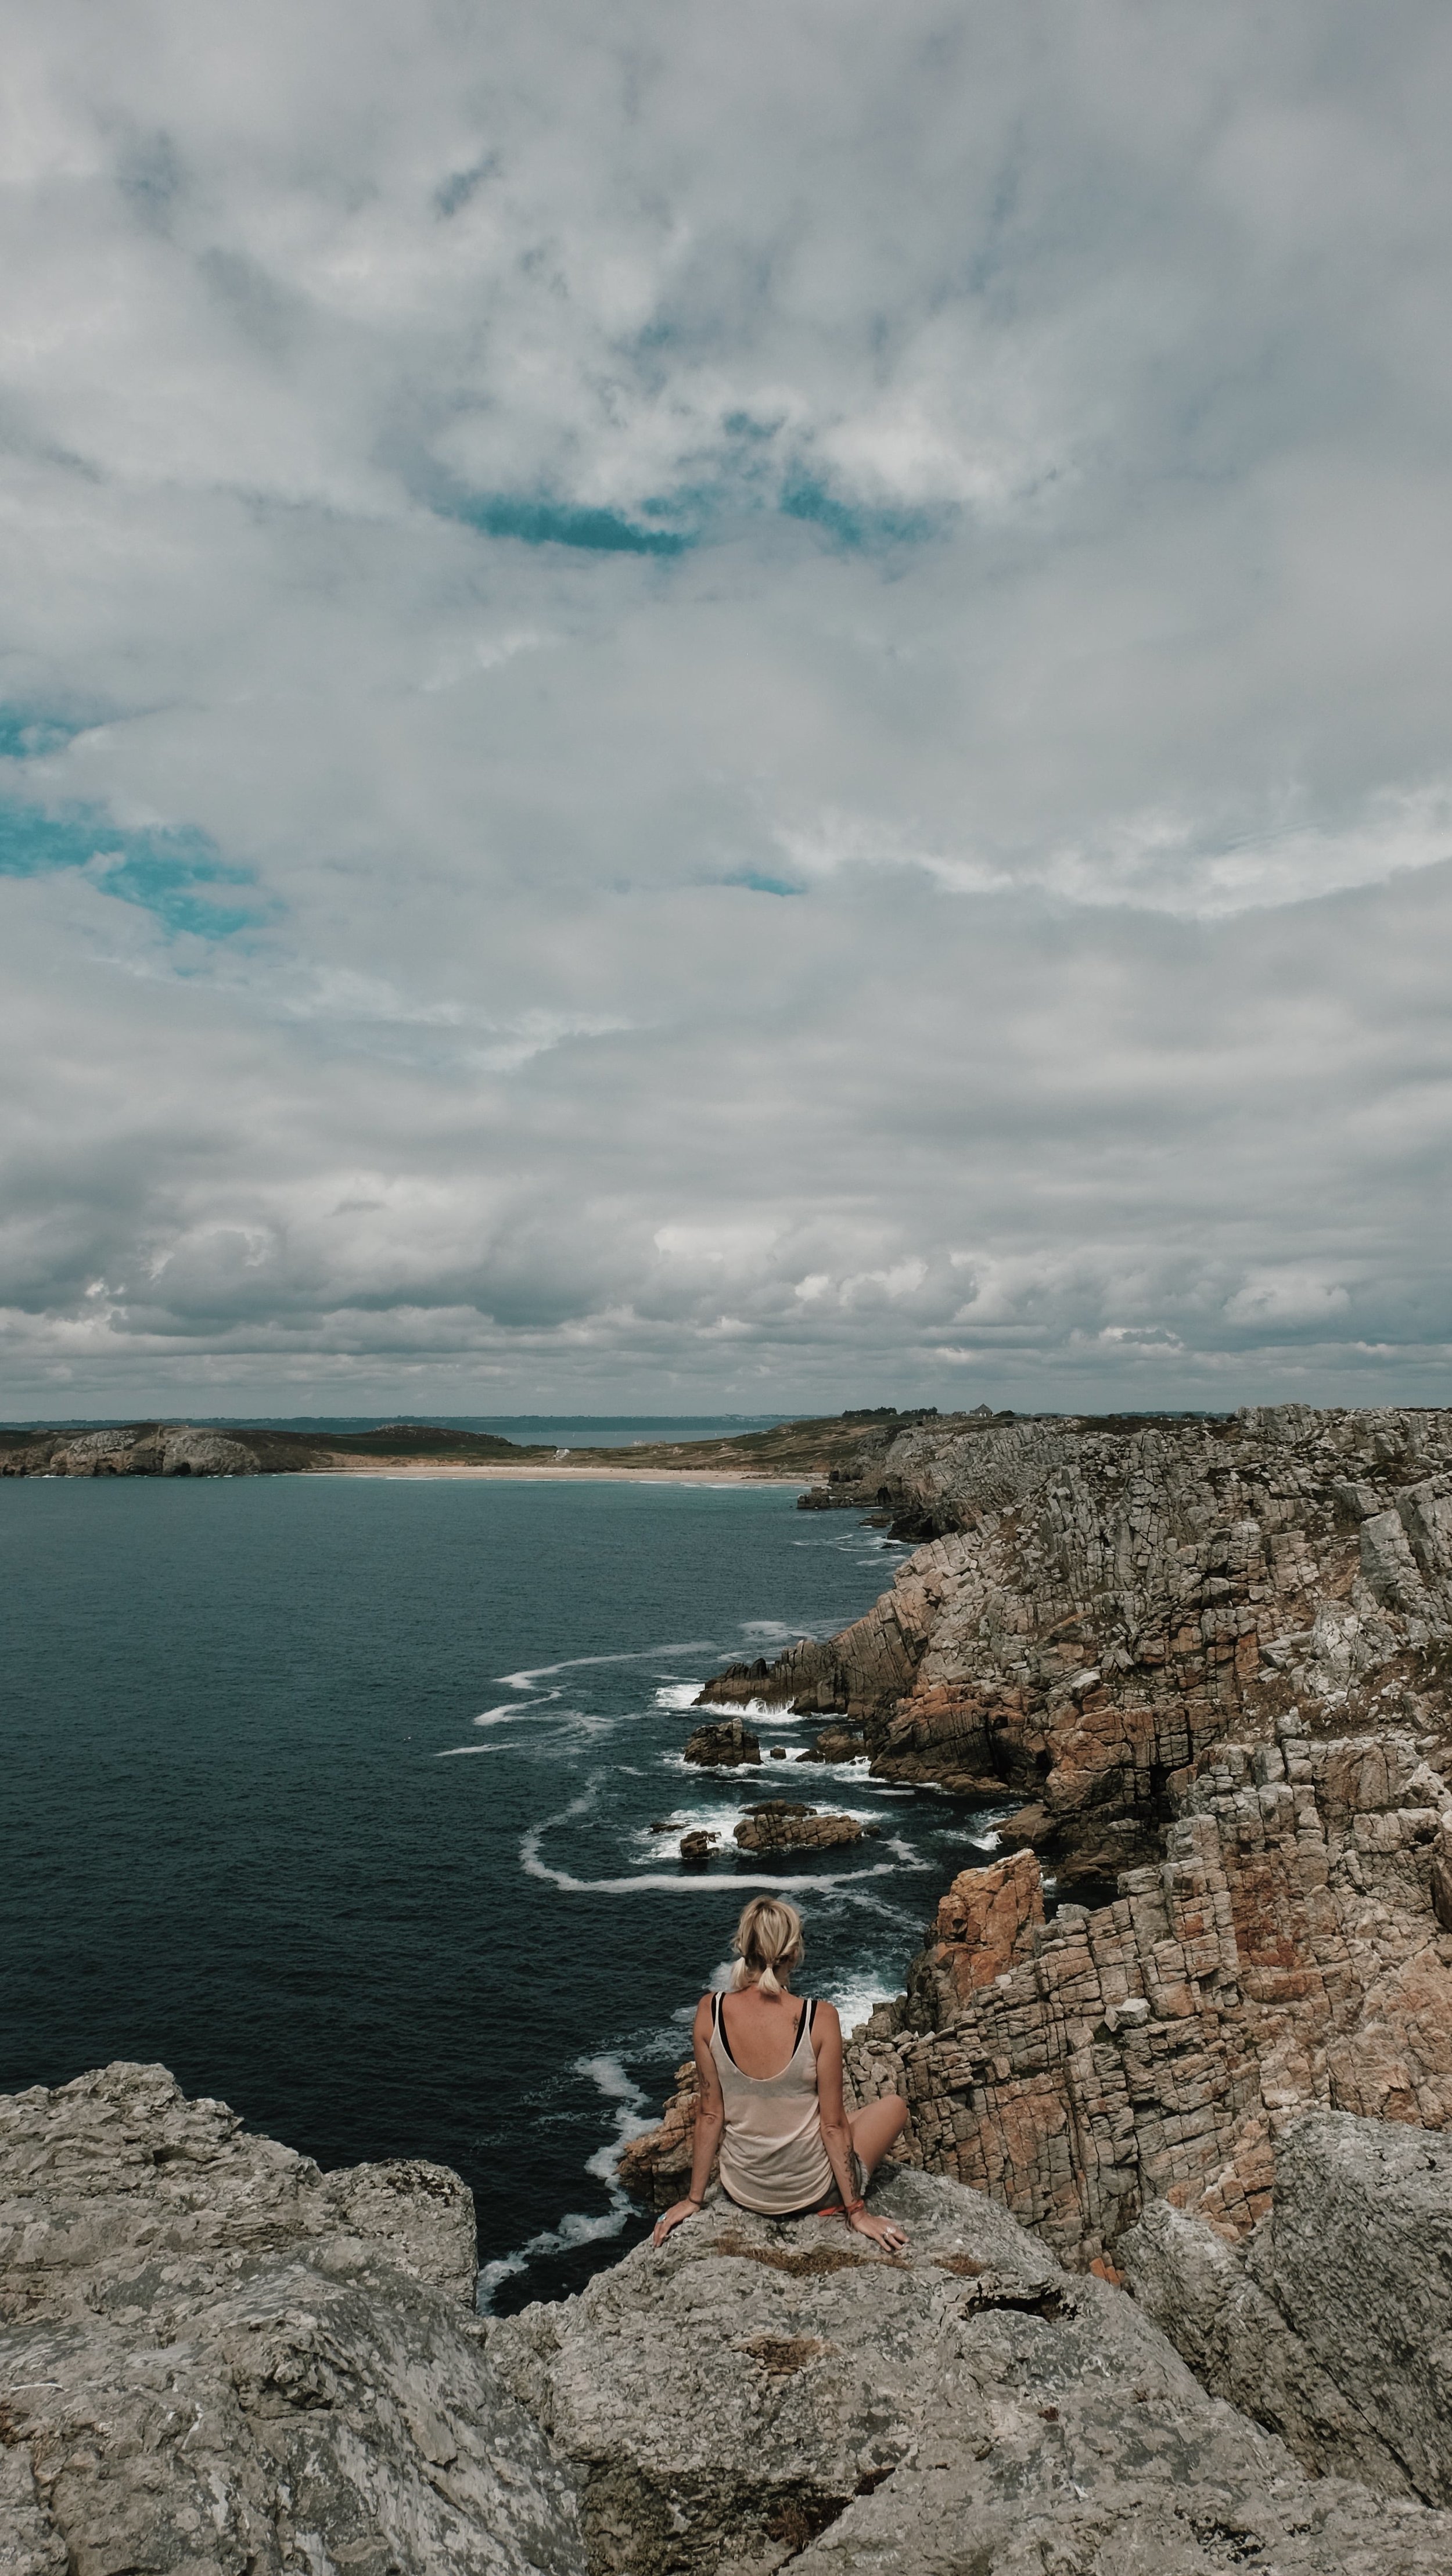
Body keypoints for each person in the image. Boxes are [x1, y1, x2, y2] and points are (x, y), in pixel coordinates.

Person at [652, 1895, 911, 2252]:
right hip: (811, 2192)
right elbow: (832, 2126)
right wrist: (857, 2212)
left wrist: (694, 2200)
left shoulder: (709, 2011)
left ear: (745, 1948)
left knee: (848, 2120)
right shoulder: (819, 2017)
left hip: (744, 2191)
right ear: (792, 1954)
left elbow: (710, 2114)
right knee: (894, 2106)